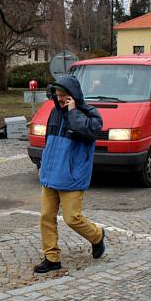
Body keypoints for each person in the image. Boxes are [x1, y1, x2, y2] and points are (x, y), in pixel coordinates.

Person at [34, 75, 106, 273]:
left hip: (72, 175)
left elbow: (90, 131)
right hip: (50, 173)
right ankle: (52, 257)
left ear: (73, 95)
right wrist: (42, 162)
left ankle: (97, 236)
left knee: (72, 218)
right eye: (57, 95)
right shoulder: (53, 113)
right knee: (46, 216)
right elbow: (50, 141)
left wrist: (73, 112)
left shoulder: (90, 114)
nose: (60, 99)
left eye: (64, 95)